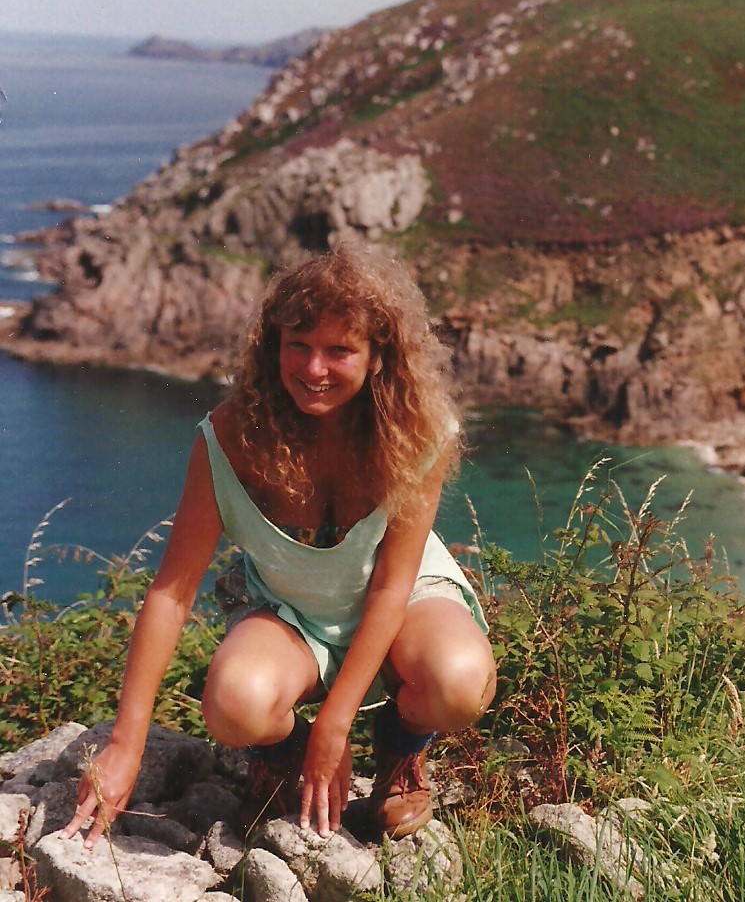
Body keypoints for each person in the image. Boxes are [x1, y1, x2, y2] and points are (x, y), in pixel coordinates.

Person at [59, 242, 495, 845]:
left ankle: (400, 748)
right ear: (273, 346)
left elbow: (392, 586)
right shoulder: (229, 437)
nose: (313, 369)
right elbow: (171, 594)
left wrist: (335, 727)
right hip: (291, 615)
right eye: (299, 344)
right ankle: (284, 753)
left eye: (339, 349)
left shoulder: (417, 436)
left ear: (376, 359)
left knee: (460, 681)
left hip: (404, 604)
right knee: (234, 704)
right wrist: (124, 747)